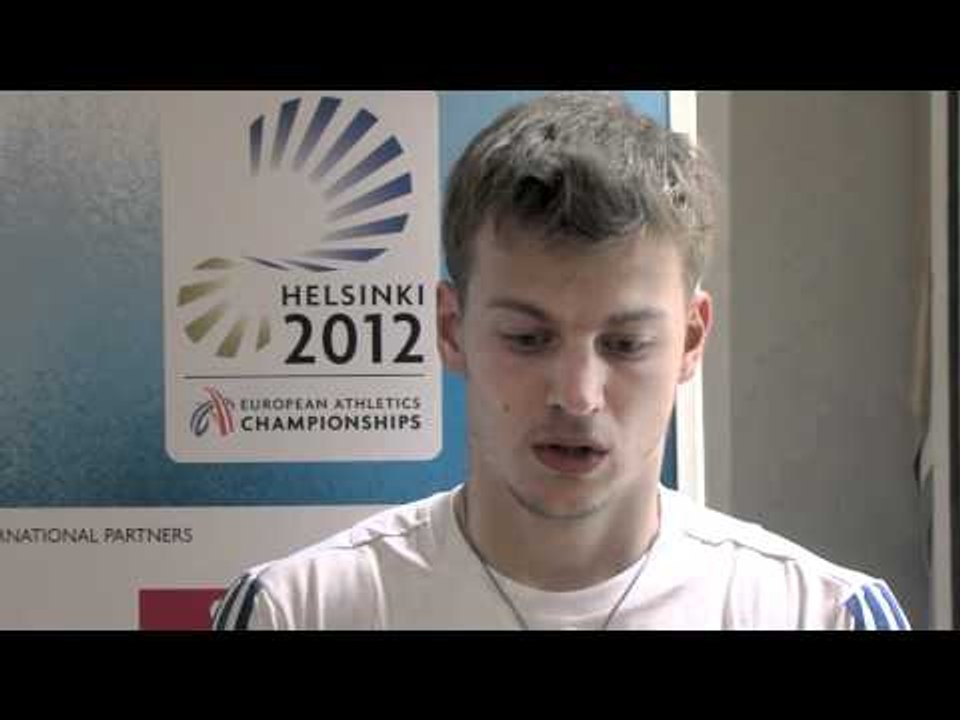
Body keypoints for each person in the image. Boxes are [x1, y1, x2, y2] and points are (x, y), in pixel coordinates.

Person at [213, 92, 910, 630]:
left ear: (691, 342)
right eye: (527, 338)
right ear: (452, 330)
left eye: (626, 344)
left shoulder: (822, 613)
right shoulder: (295, 609)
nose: (578, 396)